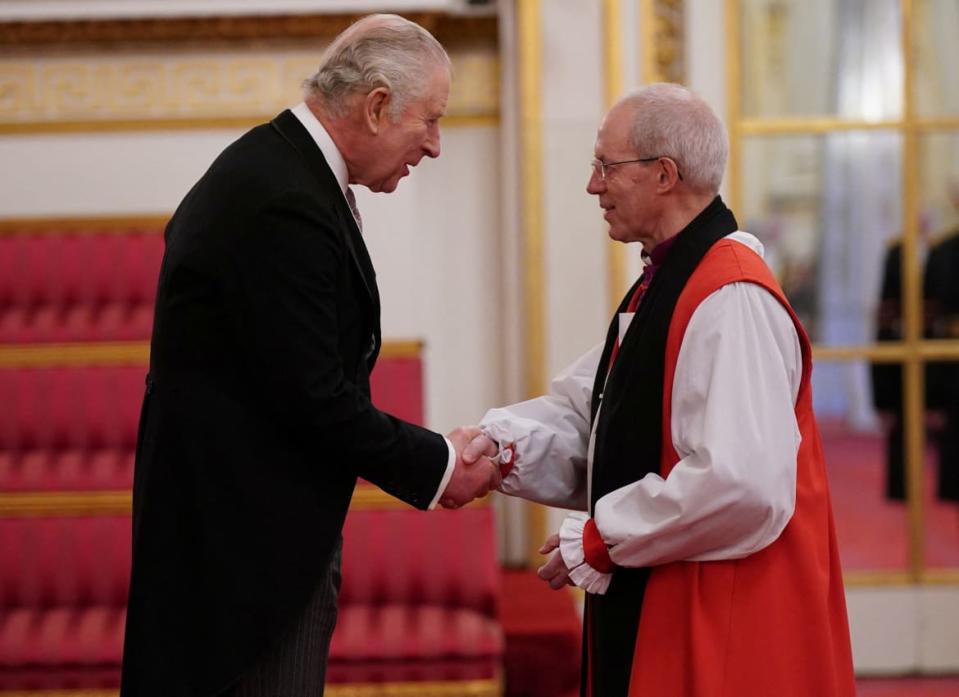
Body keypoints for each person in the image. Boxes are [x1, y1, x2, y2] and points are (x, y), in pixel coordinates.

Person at [120, 15, 499, 697]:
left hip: (246, 545)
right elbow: (312, 397)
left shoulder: (283, 171)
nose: (436, 146)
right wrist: (440, 465)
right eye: (432, 120)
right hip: (242, 568)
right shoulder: (279, 198)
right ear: (378, 105)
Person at [463, 83, 856, 697]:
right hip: (674, 598)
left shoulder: (729, 297)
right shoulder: (673, 282)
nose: (594, 185)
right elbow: (604, 414)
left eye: (605, 166)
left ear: (664, 174)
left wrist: (602, 537)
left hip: (724, 620)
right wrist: (500, 447)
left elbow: (741, 484)